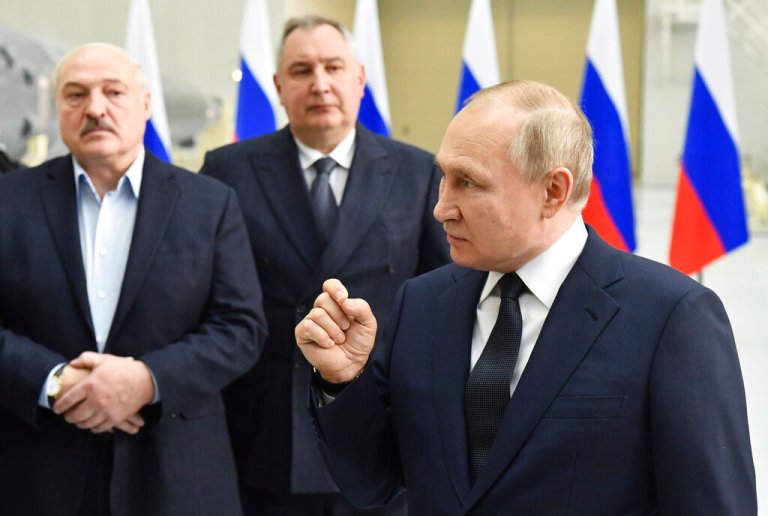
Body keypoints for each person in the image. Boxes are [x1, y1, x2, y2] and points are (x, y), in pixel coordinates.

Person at [296, 80, 758, 515]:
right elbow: (371, 484)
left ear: (553, 192)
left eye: (468, 182)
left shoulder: (670, 318)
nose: (440, 208)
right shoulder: (421, 303)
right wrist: (342, 381)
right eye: (443, 177)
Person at [0, 43, 266, 516]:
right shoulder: (8, 200)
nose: (95, 108)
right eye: (76, 95)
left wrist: (146, 380)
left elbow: (241, 327)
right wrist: (54, 382)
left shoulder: (209, 203)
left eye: (113, 92)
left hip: (176, 475)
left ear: (146, 104)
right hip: (36, 474)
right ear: (57, 108)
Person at [200, 14, 449, 516]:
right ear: (277, 86)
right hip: (262, 426)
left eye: (334, 67)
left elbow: (441, 297)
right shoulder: (226, 170)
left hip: (376, 420)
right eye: (301, 70)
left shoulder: (418, 171)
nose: (320, 84)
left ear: (359, 78)